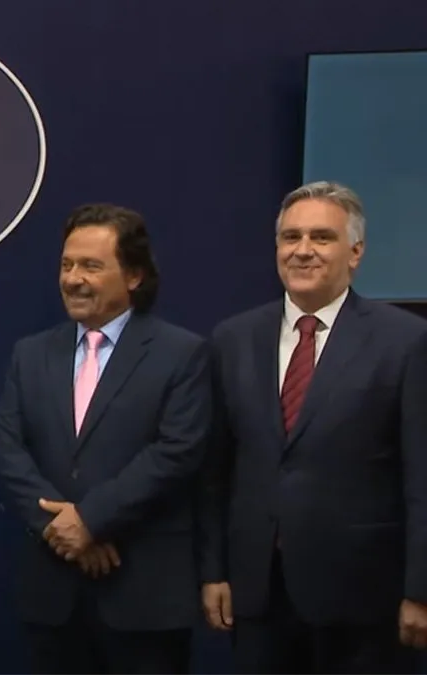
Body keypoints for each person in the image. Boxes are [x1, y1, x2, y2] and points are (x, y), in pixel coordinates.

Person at [197, 180, 427, 672]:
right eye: (290, 237)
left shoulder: (405, 342)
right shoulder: (233, 338)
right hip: (259, 594)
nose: (303, 251)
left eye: (321, 237)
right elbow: (215, 469)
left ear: (356, 252)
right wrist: (214, 570)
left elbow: (422, 478)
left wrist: (421, 590)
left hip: (365, 600)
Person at [0, 203, 212, 673]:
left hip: (143, 594)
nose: (73, 278)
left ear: (133, 275)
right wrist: (64, 530)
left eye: (91, 266)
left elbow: (176, 453)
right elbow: (9, 448)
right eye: (67, 265)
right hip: (54, 593)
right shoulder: (31, 354)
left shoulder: (181, 353)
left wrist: (91, 520)